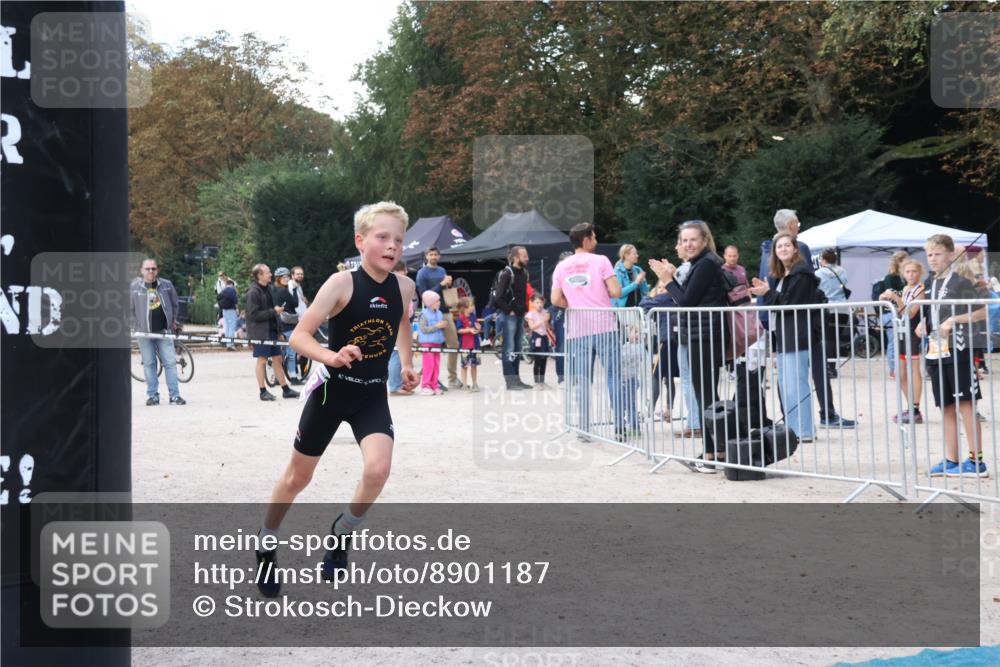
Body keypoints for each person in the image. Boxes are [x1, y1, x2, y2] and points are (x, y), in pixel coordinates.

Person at [254, 201, 419, 597]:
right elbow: (299, 336)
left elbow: (402, 324)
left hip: (371, 396)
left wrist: (409, 363)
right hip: (331, 392)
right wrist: (333, 356)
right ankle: (266, 542)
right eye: (382, 237)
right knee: (298, 477)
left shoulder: (405, 286)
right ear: (361, 241)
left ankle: (341, 535)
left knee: (378, 471)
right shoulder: (341, 283)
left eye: (398, 239)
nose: (392, 245)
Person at [649, 221, 728, 470]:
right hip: (701, 333)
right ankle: (714, 451)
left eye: (693, 240)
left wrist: (667, 279)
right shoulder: (702, 263)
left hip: (704, 335)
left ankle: (712, 454)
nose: (688, 244)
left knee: (705, 394)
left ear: (705, 240)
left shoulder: (706, 264)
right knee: (705, 393)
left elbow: (686, 302)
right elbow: (690, 296)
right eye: (684, 240)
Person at [918, 235, 988, 477]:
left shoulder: (961, 281)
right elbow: (934, 312)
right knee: (946, 406)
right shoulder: (929, 283)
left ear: (950, 255)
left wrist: (953, 320)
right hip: (937, 349)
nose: (933, 259)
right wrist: (924, 324)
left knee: (966, 405)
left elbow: (982, 311)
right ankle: (951, 459)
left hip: (959, 348)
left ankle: (977, 461)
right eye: (929, 255)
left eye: (937, 254)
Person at [552, 223, 624, 440]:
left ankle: (583, 429)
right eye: (594, 236)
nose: (596, 240)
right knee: (614, 375)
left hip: (577, 328)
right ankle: (620, 427)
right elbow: (616, 290)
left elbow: (555, 299)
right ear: (586, 240)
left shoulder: (562, 266)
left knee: (582, 379)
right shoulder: (601, 261)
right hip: (604, 325)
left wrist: (574, 303)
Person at [750, 232, 822, 445]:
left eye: (786, 245)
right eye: (779, 246)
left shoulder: (801, 273)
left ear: (795, 248)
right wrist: (768, 292)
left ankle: (803, 429)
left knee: (795, 383)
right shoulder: (785, 274)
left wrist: (767, 292)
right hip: (785, 333)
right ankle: (794, 429)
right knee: (787, 383)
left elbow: (789, 303)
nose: (782, 249)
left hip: (797, 333)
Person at [129, 258, 186, 406]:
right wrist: (135, 326)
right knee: (149, 364)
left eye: (153, 268)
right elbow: (128, 310)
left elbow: (175, 305)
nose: (151, 271)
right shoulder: (135, 287)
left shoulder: (166, 285)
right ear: (142, 270)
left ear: (157, 270)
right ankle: (153, 396)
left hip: (163, 331)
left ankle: (174, 396)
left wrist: (173, 321)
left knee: (170, 363)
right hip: (144, 333)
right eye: (147, 269)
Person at [881, 259, 926, 424]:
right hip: (901, 332)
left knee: (914, 370)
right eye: (907, 272)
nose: (911, 274)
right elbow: (900, 312)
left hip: (913, 332)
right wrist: (886, 298)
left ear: (920, 273)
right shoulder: (906, 288)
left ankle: (915, 408)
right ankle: (911, 408)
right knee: (901, 373)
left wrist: (895, 298)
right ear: (903, 273)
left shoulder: (920, 289)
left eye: (914, 271)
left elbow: (910, 313)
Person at [246, 263, 299, 401]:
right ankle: (262, 391)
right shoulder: (253, 292)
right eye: (268, 272)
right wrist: (273, 311)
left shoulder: (269, 289)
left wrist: (279, 331)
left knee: (278, 359)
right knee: (262, 360)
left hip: (272, 331)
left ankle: (285, 390)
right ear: (259, 275)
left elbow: (274, 311)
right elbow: (253, 315)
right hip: (260, 333)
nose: (271, 274)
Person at [415, 247, 461, 389]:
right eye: (431, 254)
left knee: (453, 344)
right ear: (426, 256)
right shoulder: (422, 273)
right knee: (431, 347)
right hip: (430, 314)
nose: (433, 257)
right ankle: (431, 378)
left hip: (445, 311)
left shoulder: (442, 270)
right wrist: (440, 285)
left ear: (439, 256)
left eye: (436, 254)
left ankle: (452, 378)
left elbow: (445, 291)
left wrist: (448, 283)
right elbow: (424, 295)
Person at [494, 245, 532, 390]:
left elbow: (524, 295)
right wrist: (508, 310)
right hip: (509, 316)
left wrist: (526, 311)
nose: (527, 258)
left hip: (520, 315)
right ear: (516, 257)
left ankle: (516, 379)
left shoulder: (524, 273)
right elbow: (498, 297)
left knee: (517, 347)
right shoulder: (507, 273)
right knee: (509, 347)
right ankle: (510, 381)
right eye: (524, 256)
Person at [816, 249, 850, 377]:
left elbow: (817, 289)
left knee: (827, 338)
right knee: (835, 338)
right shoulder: (842, 271)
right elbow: (845, 284)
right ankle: (832, 367)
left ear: (823, 260)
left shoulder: (818, 273)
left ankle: (829, 368)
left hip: (827, 308)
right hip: (842, 308)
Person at [272, 267, 303, 384]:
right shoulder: (284, 291)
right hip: (288, 324)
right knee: (291, 352)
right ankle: (293, 377)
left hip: (278, 323)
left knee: (281, 352)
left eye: (287, 277)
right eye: (283, 277)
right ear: (278, 279)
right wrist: (294, 290)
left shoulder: (273, 290)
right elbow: (295, 303)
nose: (286, 279)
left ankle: (276, 377)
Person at [881, 250, 909, 377]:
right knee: (893, 342)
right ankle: (893, 369)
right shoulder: (890, 277)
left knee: (903, 342)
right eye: (904, 261)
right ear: (897, 262)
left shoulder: (907, 278)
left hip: (903, 312)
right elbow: (890, 294)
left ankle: (901, 368)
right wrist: (903, 296)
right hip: (890, 313)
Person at [388, 261, 414, 396]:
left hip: (398, 326)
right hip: (395, 328)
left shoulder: (401, 284)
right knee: (395, 356)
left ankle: (398, 384)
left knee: (397, 356)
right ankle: (394, 386)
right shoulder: (397, 285)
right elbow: (403, 314)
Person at [417, 290, 447, 395]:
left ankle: (434, 385)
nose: (439, 302)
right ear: (430, 303)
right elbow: (423, 329)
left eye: (438, 300)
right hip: (427, 344)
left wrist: (443, 326)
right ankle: (425, 386)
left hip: (437, 343)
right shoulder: (423, 314)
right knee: (428, 365)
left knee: (436, 365)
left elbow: (440, 327)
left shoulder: (439, 313)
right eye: (436, 301)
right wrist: (437, 326)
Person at [524, 293, 552, 387]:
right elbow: (532, 327)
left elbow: (547, 327)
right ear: (532, 303)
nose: (539, 304)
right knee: (537, 360)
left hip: (544, 337)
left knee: (544, 359)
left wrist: (547, 321)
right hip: (536, 337)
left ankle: (542, 381)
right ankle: (536, 382)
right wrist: (543, 320)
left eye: (541, 302)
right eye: (537, 302)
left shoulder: (545, 312)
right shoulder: (530, 314)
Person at [455, 297, 482, 392]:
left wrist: (478, 328)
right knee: (465, 366)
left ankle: (475, 384)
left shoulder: (473, 316)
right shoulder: (461, 318)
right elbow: (459, 330)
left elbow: (477, 328)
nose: (473, 307)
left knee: (474, 365)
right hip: (465, 346)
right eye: (471, 305)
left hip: (475, 345)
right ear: (464, 307)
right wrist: (469, 330)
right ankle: (465, 385)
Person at [217, 278, 239, 350]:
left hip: (224, 311)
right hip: (231, 310)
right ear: (232, 284)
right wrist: (237, 309)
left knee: (227, 327)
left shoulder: (223, 290)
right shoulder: (232, 290)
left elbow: (218, 298)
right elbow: (235, 300)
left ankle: (227, 344)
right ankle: (231, 345)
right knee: (232, 327)